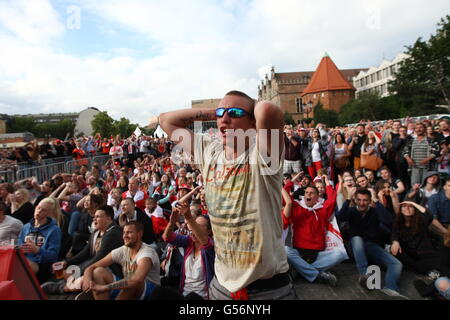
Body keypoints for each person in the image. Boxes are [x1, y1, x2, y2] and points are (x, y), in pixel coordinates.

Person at [156, 90, 294, 300]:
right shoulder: (209, 152)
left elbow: (268, 109)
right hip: (222, 284)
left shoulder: (264, 156)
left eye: (235, 113)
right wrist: (219, 112)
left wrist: (240, 108)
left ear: (252, 122)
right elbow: (165, 120)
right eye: (221, 113)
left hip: (267, 289)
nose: (225, 118)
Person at [336, 188, 408, 299]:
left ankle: (391, 288)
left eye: (365, 200)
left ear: (369, 201)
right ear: (355, 200)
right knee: (357, 239)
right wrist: (348, 199)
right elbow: (340, 217)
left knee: (396, 264)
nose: (361, 203)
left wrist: (377, 200)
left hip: (371, 246)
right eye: (359, 200)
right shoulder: (352, 211)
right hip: (354, 247)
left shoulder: (374, 211)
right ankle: (365, 275)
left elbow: (388, 220)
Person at [41, 205, 123, 295]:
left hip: (111, 271)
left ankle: (62, 288)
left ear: (109, 218)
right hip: (94, 265)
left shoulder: (114, 233)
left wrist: (80, 272)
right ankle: (66, 282)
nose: (94, 219)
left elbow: (99, 258)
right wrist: (67, 262)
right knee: (64, 268)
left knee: (87, 274)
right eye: (94, 217)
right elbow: (85, 252)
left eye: (98, 217)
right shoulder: (96, 232)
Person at [283, 175, 346, 286]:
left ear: (317, 197)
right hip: (299, 252)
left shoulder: (322, 210)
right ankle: (316, 275)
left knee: (340, 253)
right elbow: (285, 196)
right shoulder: (297, 207)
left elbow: (331, 200)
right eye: (306, 192)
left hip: (317, 254)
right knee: (285, 250)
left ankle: (301, 270)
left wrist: (327, 182)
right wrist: (291, 182)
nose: (308, 195)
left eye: (312, 193)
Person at [79, 221, 161, 300]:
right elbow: (93, 266)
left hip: (151, 293)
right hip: (128, 289)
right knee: (97, 272)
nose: (125, 236)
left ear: (139, 234)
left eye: (129, 232)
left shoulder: (147, 252)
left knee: (131, 283)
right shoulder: (123, 250)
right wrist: (87, 280)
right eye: (124, 232)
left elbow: (137, 279)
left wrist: (105, 287)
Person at [162, 201, 215, 299]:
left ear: (209, 231)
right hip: (184, 293)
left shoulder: (211, 246)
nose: (193, 229)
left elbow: (205, 242)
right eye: (194, 225)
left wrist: (188, 217)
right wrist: (171, 222)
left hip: (202, 297)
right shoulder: (189, 241)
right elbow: (167, 237)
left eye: (199, 226)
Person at [390, 201, 448, 279]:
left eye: (410, 207)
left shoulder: (421, 221)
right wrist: (395, 241)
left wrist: (413, 203)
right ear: (400, 210)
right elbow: (394, 234)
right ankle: (426, 270)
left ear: (415, 210)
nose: (407, 208)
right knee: (395, 251)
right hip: (409, 254)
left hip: (424, 253)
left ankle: (423, 270)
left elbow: (429, 215)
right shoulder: (397, 222)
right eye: (404, 206)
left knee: (435, 262)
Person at [18, 199, 62, 282]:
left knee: (20, 266)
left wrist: (37, 250)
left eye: (43, 210)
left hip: (42, 266)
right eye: (38, 208)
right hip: (25, 261)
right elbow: (20, 246)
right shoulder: (26, 227)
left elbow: (53, 256)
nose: (39, 211)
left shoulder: (54, 230)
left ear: (49, 214)